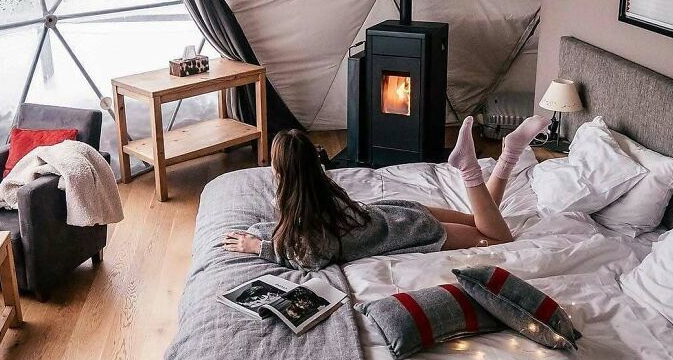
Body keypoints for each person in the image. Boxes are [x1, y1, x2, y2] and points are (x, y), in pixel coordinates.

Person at [223, 115, 548, 271]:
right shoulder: (323, 187)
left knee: (499, 241)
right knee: (485, 219)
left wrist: (261, 248)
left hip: (413, 230)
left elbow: (308, 259)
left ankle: (468, 168)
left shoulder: (306, 222)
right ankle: (510, 152)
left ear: (280, 174)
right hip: (400, 211)